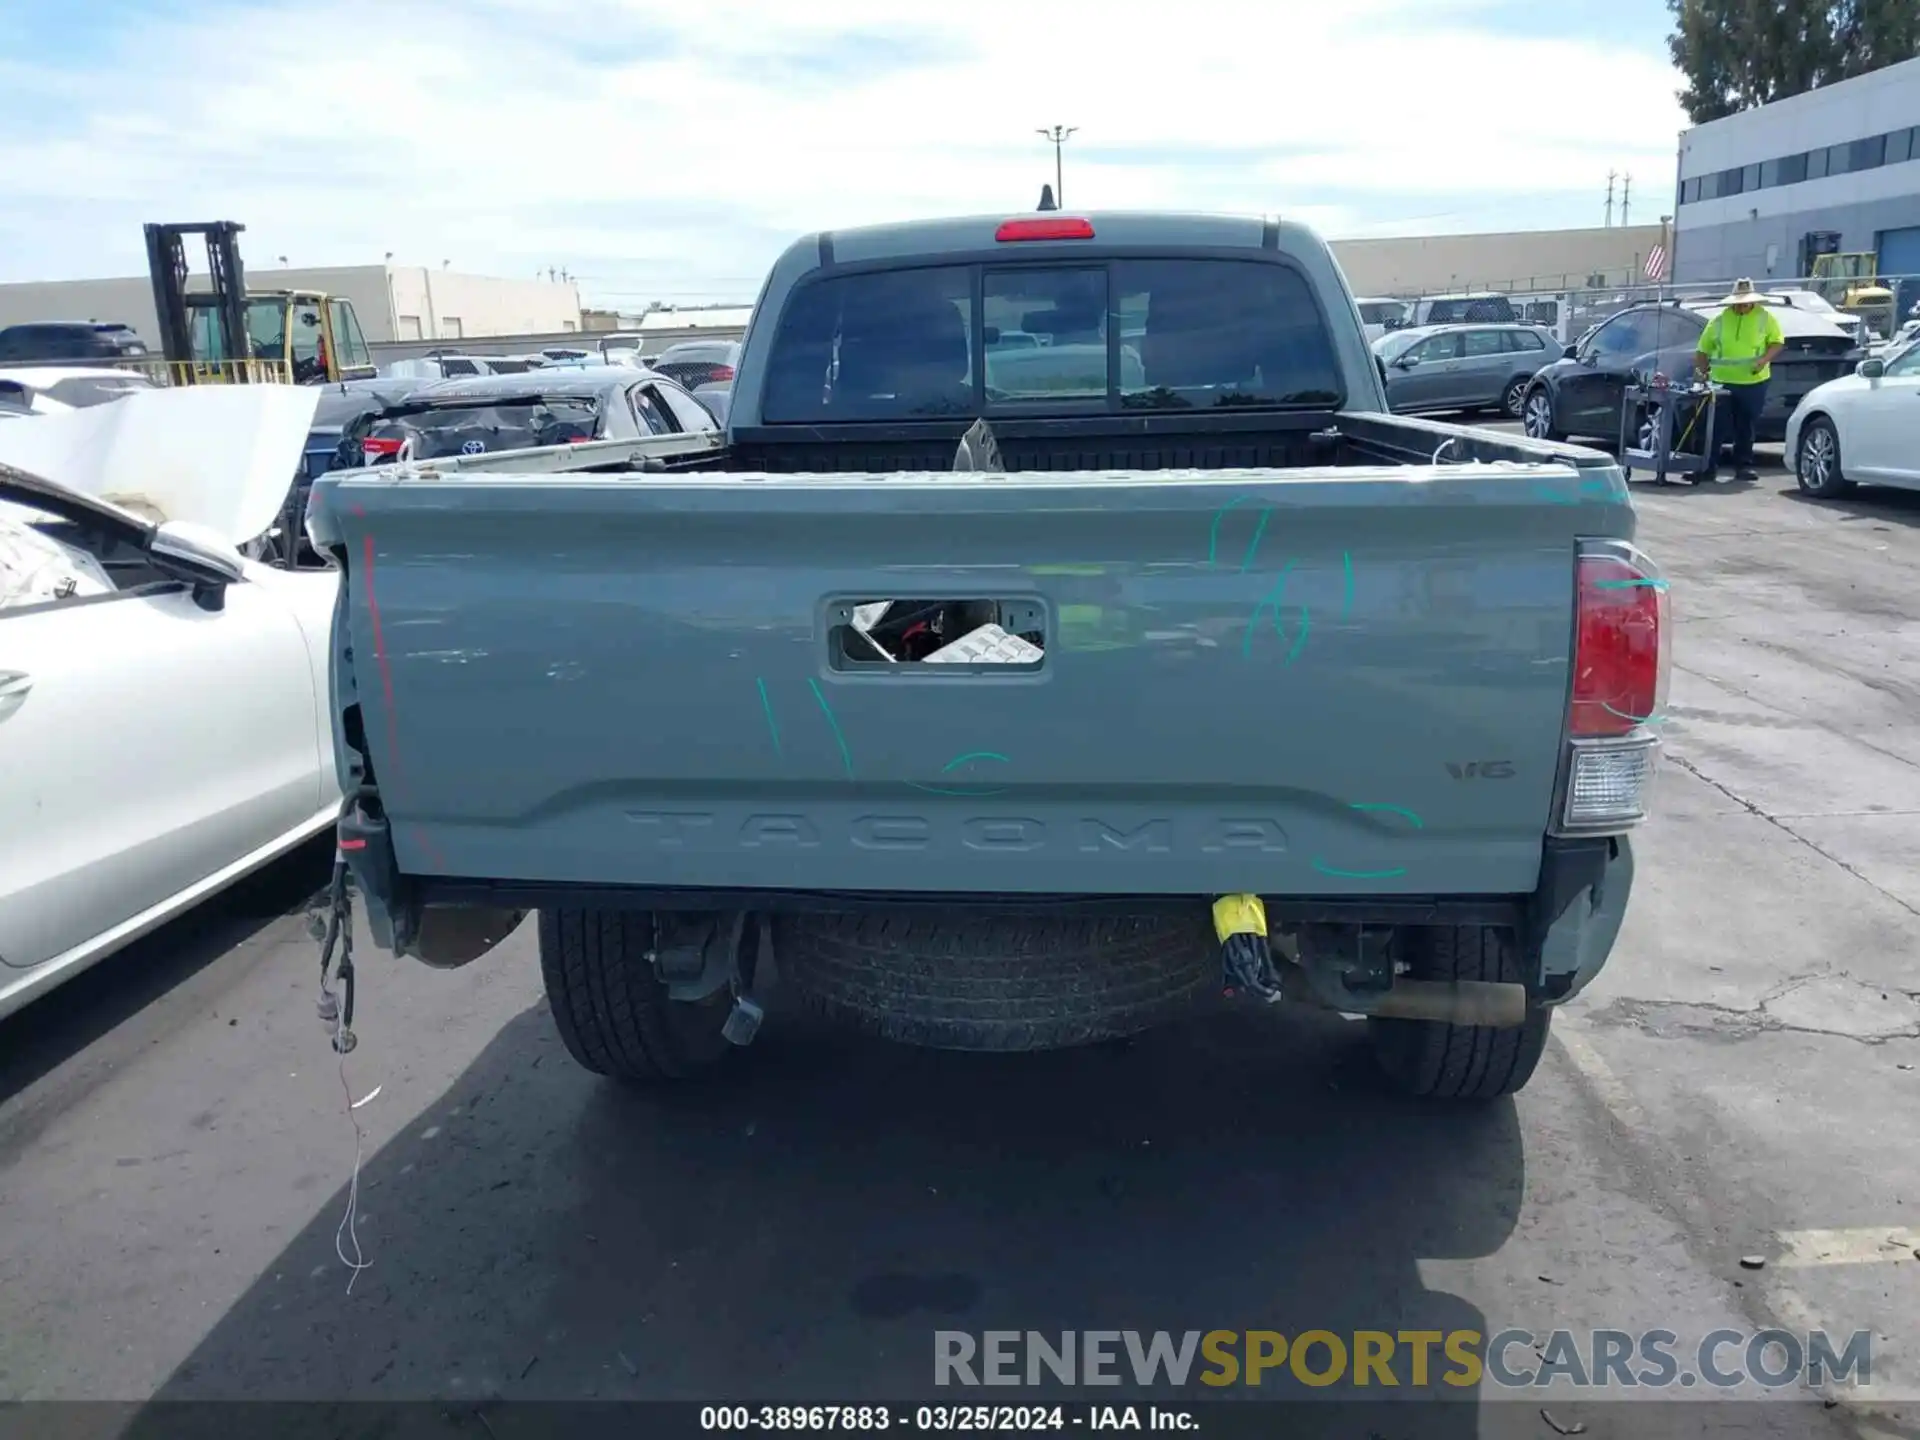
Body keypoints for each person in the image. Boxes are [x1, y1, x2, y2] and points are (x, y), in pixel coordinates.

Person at [1692, 278, 1784, 483]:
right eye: (1739, 302)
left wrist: (1763, 360)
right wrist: (1702, 371)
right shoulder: (1719, 321)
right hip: (1722, 382)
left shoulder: (1765, 318)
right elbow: (1702, 350)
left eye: (1746, 301)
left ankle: (1743, 466)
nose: (1743, 305)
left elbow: (1777, 343)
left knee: (1746, 425)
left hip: (1754, 381)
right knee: (1716, 426)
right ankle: (1708, 467)